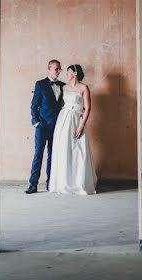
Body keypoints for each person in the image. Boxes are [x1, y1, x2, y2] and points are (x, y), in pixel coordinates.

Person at [48, 64, 97, 195]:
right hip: (63, 120)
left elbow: (88, 108)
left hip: (77, 120)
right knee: (63, 149)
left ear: (74, 73)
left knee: (78, 150)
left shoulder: (83, 87)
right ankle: (64, 182)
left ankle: (78, 182)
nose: (67, 74)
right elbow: (60, 104)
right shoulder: (63, 87)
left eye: (69, 72)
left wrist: (81, 125)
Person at [25, 59, 65, 194]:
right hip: (42, 125)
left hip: (57, 126)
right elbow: (34, 105)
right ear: (49, 69)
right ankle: (33, 184)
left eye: (60, 69)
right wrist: (36, 122)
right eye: (56, 69)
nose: (59, 71)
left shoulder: (63, 85)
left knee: (53, 155)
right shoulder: (40, 84)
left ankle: (50, 184)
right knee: (38, 154)